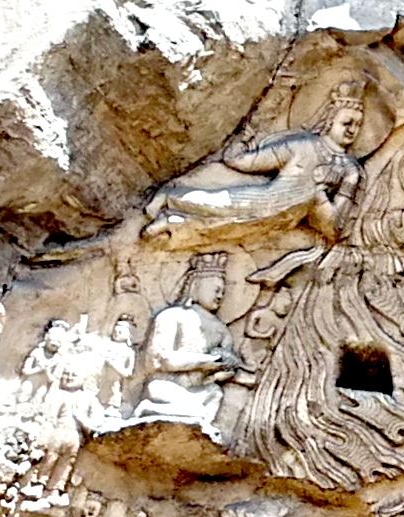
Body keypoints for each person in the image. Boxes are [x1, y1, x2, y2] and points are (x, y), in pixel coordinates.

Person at [141, 81, 364, 245]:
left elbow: (333, 227)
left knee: (222, 229)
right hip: (260, 200)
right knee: (214, 204)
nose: (352, 130)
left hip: (279, 222)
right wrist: (244, 140)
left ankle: (171, 223)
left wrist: (336, 188)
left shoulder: (349, 169)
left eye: (358, 125)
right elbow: (246, 162)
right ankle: (169, 195)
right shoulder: (302, 145)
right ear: (329, 120)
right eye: (347, 122)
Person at [133, 252, 240, 441]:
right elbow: (162, 359)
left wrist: (224, 369)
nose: (220, 295)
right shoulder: (171, 316)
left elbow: (224, 371)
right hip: (167, 386)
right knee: (166, 394)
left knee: (215, 393)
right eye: (215, 289)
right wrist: (206, 362)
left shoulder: (222, 331)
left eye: (223, 291)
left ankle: (193, 419)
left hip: (200, 391)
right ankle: (150, 409)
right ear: (196, 286)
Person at [21, 358, 105, 507]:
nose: (69, 377)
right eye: (66, 374)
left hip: (75, 435)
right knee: (50, 457)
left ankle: (56, 489)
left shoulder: (89, 399)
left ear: (85, 379)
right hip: (58, 432)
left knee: (67, 463)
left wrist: (83, 419)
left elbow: (96, 423)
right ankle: (39, 483)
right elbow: (49, 417)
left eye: (74, 375)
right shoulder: (57, 395)